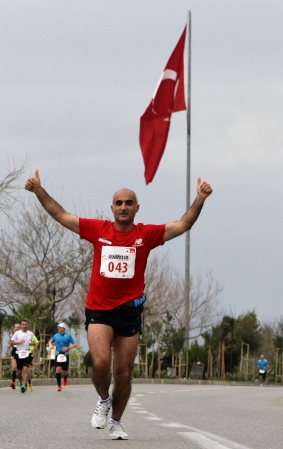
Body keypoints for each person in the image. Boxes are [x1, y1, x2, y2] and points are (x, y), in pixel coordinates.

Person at [25, 169, 212, 440]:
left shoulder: (146, 234)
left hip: (129, 312)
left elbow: (183, 224)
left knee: (123, 373)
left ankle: (116, 421)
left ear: (137, 208)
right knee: (100, 363)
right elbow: (61, 215)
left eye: (129, 203)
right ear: (112, 208)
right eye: (119, 203)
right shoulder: (98, 229)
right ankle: (103, 400)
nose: (124, 207)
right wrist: (38, 190)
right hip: (99, 309)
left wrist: (200, 199)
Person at [49, 323, 77, 391]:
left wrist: (68, 348)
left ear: (64, 328)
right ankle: (59, 386)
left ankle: (65, 378)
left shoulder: (68, 336)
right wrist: (50, 345)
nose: (59, 329)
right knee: (58, 369)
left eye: (60, 327)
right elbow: (50, 341)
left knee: (64, 371)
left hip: (65, 354)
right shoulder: (56, 335)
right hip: (57, 354)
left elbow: (75, 344)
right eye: (58, 327)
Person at [10, 319, 35, 393]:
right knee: (19, 371)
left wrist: (32, 344)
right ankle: (20, 382)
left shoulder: (30, 333)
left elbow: (33, 342)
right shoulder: (17, 333)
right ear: (21, 325)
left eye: (26, 324)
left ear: (28, 325)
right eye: (23, 324)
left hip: (27, 352)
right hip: (19, 353)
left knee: (25, 369)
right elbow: (12, 342)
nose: (24, 326)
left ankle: (24, 385)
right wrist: (18, 342)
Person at [8, 322, 21, 389]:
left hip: (21, 352)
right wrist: (10, 345)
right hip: (14, 351)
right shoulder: (12, 335)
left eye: (18, 327)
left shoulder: (22, 335)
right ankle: (13, 382)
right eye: (15, 327)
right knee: (14, 367)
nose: (17, 328)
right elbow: (12, 343)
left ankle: (21, 382)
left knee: (19, 369)